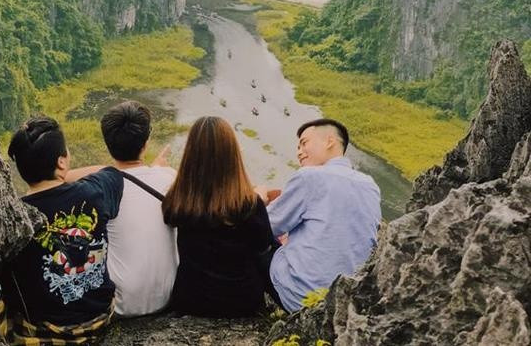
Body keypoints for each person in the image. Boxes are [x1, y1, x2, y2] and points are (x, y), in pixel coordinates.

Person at [0, 116, 124, 343]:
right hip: (99, 319)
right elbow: (110, 171)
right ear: (61, 161)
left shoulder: (13, 218)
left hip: (41, 333)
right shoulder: (95, 192)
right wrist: (62, 177)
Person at [162, 115, 277, 318]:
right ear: (232, 155)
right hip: (242, 300)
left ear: (190, 155)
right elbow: (263, 246)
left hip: (191, 299)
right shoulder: (249, 204)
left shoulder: (178, 199)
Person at [264, 118, 381, 312]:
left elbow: (267, 224)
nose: (299, 151)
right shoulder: (369, 185)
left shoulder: (309, 176)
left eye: (304, 143)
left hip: (302, 297)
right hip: (348, 300)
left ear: (329, 141)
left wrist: (259, 199)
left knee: (256, 241)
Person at [99, 101, 178, 317]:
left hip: (124, 306)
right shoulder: (168, 178)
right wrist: (157, 169)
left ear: (108, 143)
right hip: (170, 295)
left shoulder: (102, 188)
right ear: (146, 141)